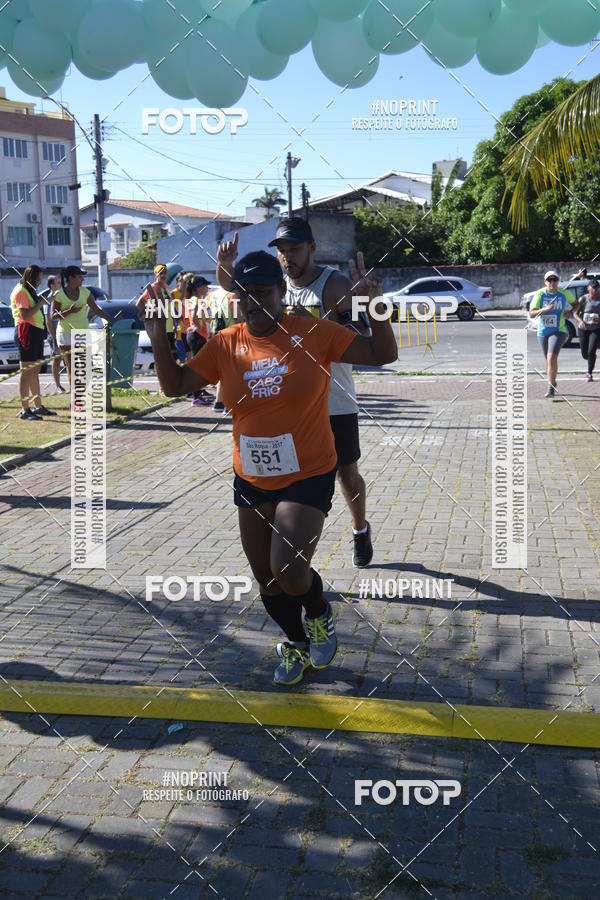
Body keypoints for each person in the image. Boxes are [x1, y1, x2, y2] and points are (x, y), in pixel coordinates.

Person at [140, 250, 397, 685]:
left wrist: (376, 307)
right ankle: (296, 642)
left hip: (309, 471)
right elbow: (174, 386)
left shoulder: (313, 332)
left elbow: (382, 353)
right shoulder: (226, 342)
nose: (254, 303)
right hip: (251, 476)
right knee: (266, 577)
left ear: (282, 292)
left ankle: (318, 612)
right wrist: (159, 335)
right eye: (244, 296)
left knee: (288, 568)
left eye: (263, 293)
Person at [217, 220, 380, 567]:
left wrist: (316, 324)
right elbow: (237, 295)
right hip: (289, 402)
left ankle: (359, 528)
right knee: (287, 478)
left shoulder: (333, 284)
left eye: (295, 249)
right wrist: (225, 268)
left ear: (312, 248)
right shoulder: (275, 286)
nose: (287, 256)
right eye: (283, 250)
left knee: (346, 472)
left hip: (334, 401)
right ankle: (291, 556)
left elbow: (364, 333)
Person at [51, 265, 112, 394]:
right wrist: (69, 311)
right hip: (65, 334)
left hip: (82, 333)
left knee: (85, 367)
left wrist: (110, 318)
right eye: (79, 276)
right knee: (71, 367)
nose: (82, 279)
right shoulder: (59, 294)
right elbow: (53, 316)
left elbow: (95, 309)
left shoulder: (85, 292)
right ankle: (76, 400)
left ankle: (83, 393)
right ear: (71, 278)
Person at [10, 265, 55, 420]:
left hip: (35, 332)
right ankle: (25, 409)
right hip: (26, 332)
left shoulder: (29, 291)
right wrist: (42, 303)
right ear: (31, 277)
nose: (39, 282)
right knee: (26, 371)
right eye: (38, 279)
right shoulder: (21, 291)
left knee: (35, 371)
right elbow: (25, 313)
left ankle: (38, 406)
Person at [529, 270, 573, 398]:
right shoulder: (540, 294)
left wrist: (571, 312)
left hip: (559, 330)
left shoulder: (564, 294)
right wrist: (544, 309)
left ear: (558, 281)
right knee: (548, 360)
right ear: (545, 282)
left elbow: (576, 304)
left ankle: (550, 387)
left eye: (555, 280)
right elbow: (531, 313)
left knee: (551, 356)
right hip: (543, 331)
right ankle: (552, 381)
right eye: (549, 280)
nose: (552, 283)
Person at [208, 286, 239, 412]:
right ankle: (227, 403)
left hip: (216, 333)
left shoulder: (212, 295)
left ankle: (219, 402)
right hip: (231, 334)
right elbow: (238, 318)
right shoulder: (232, 295)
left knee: (223, 369)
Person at [137, 264, 177, 360]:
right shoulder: (152, 287)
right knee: (161, 354)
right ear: (156, 275)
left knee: (172, 354)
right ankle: (161, 374)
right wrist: (150, 313)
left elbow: (171, 306)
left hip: (169, 325)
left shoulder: (167, 287)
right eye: (161, 273)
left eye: (165, 273)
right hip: (159, 325)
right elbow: (139, 304)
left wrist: (175, 324)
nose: (163, 275)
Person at [184, 275, 213, 405]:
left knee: (198, 366)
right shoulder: (197, 300)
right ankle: (196, 397)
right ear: (198, 287)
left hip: (195, 336)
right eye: (205, 285)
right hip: (197, 336)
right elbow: (196, 316)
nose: (207, 288)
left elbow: (199, 316)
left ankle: (198, 394)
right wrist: (197, 325)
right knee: (198, 368)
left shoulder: (192, 299)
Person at [573, 278, 600, 382]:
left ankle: (589, 373)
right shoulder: (583, 299)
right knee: (585, 354)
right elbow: (575, 313)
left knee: (591, 351)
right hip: (583, 328)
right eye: (593, 288)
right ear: (588, 288)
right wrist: (580, 321)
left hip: (596, 328)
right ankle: (591, 358)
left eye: (596, 288)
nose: (595, 290)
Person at [42, 275, 65, 394]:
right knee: (56, 361)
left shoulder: (62, 296)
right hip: (55, 335)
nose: (60, 284)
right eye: (57, 282)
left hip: (65, 332)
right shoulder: (49, 299)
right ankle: (58, 385)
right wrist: (54, 337)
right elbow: (48, 320)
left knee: (69, 359)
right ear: (52, 285)